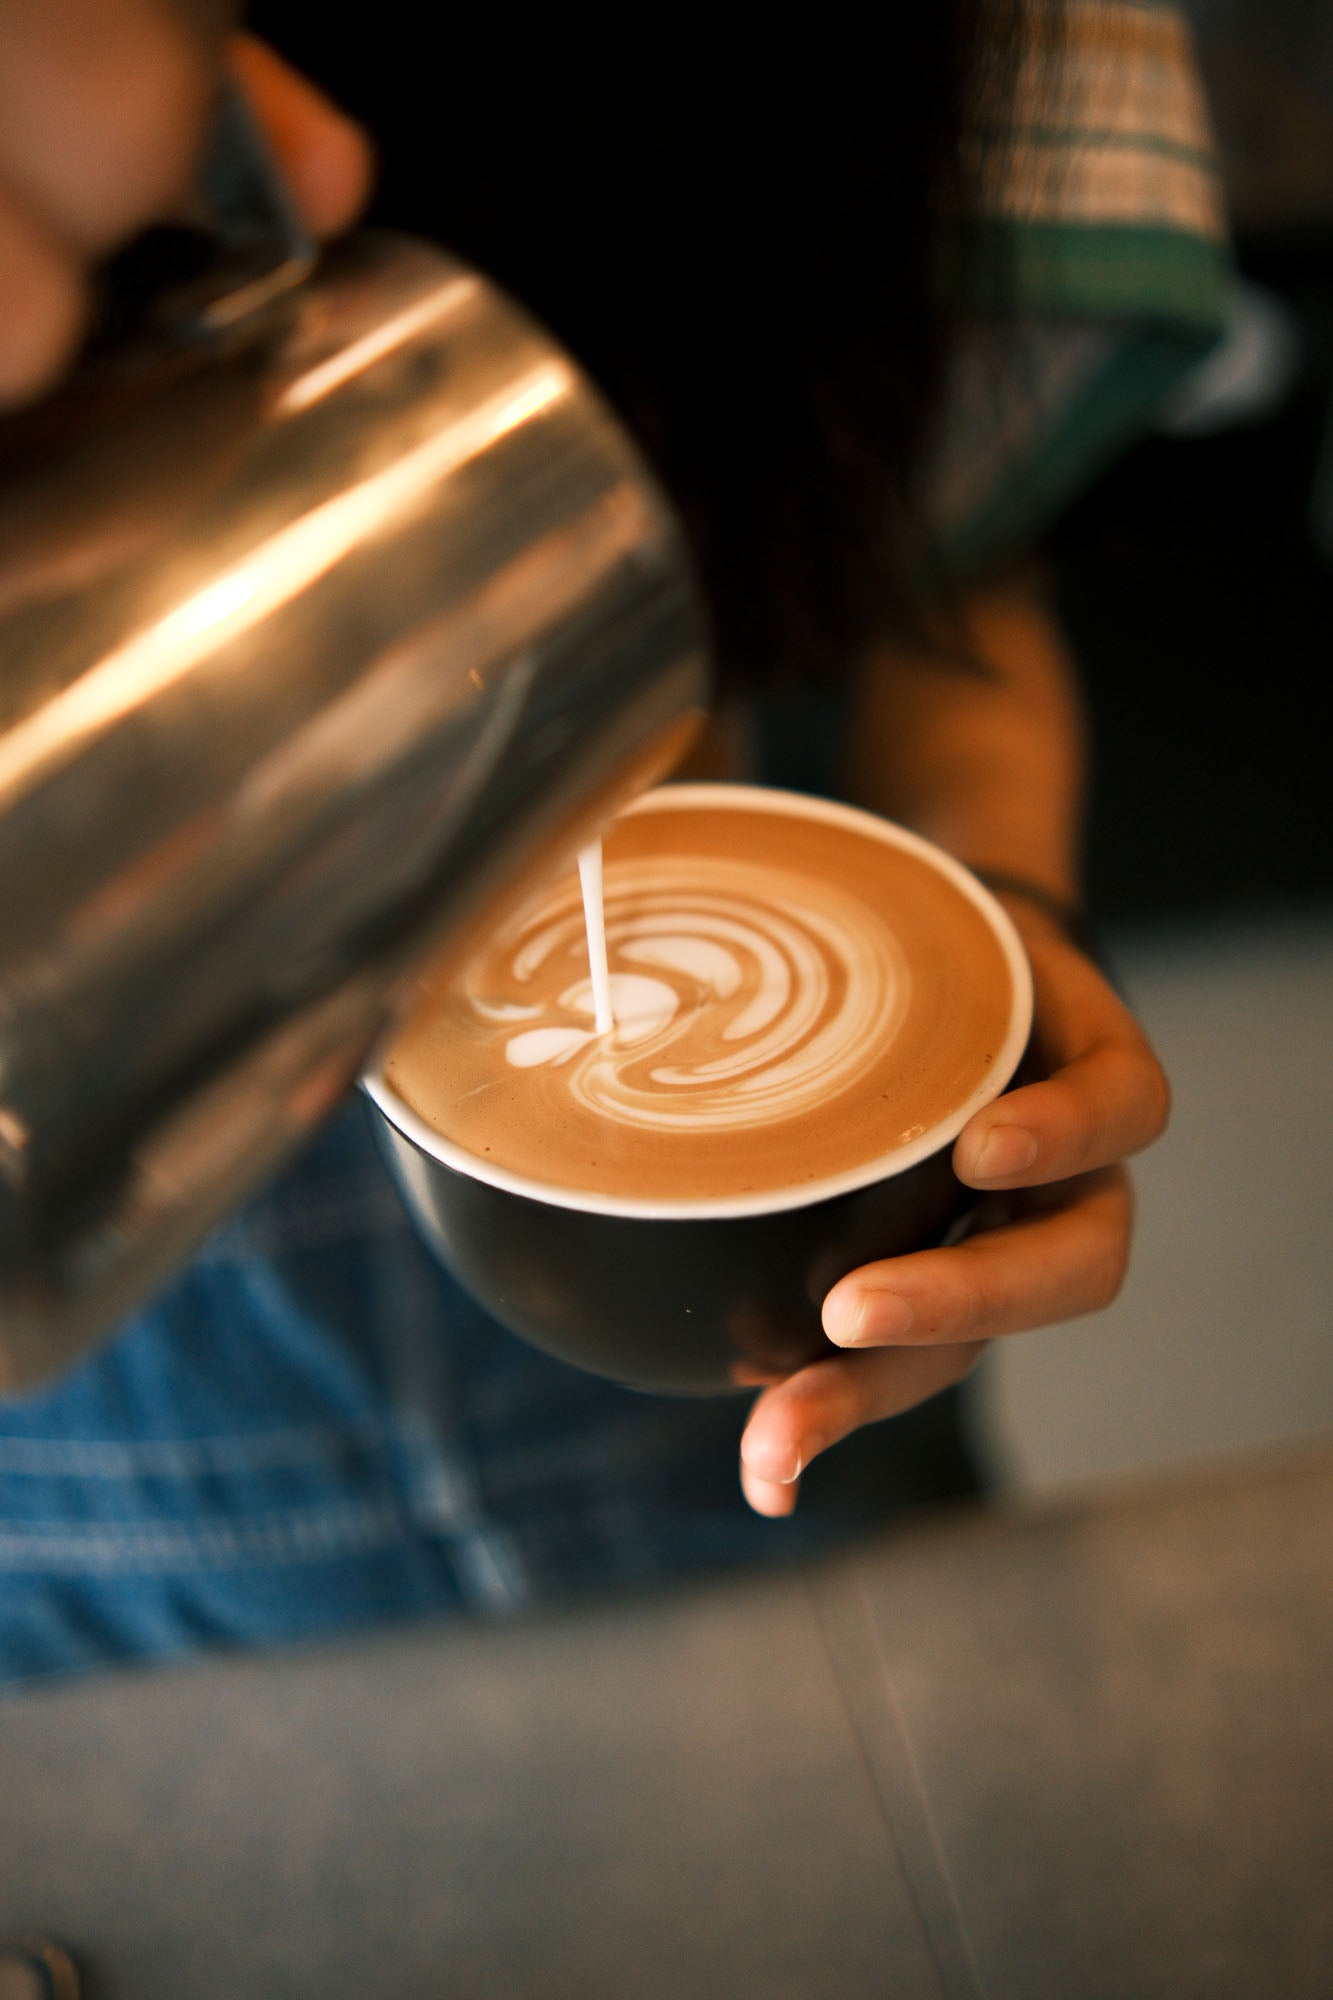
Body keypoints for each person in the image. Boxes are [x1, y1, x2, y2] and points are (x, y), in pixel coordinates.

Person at [0, 0, 1220, 1684]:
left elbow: (947, 551)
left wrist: (994, 928)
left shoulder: (979, 49)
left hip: (749, 1408)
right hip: (78, 1511)